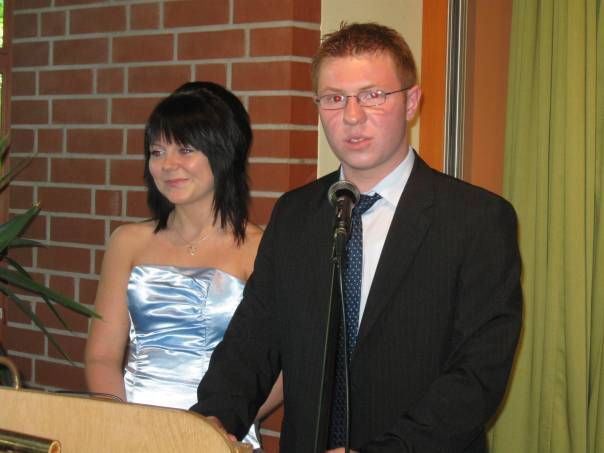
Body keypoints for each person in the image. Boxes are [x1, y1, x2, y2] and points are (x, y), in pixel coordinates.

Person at [191, 23, 522, 453]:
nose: (351, 116)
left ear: (411, 102)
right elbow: (252, 342)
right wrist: (211, 421)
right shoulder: (294, 214)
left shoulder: (477, 220)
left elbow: (478, 374)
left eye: (372, 95)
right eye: (334, 98)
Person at [84, 81, 282, 449]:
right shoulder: (127, 242)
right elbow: (101, 356)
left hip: (220, 436)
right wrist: (121, 427)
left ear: (223, 153)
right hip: (130, 431)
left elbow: (282, 370)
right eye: (157, 151)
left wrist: (218, 427)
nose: (168, 165)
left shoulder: (263, 250)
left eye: (185, 149)